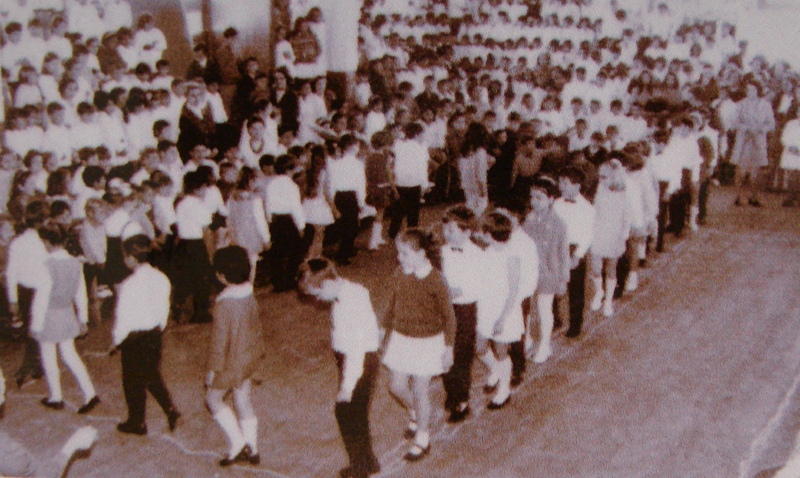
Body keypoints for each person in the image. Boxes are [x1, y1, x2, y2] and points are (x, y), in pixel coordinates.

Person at [300, 258, 382, 478]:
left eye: (317, 293)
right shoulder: (352, 290)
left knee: (346, 412)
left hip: (359, 361)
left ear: (327, 284)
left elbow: (356, 350)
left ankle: (359, 467)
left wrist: (347, 385)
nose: (317, 300)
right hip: (356, 358)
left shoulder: (350, 303)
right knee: (357, 412)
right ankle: (367, 461)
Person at [382, 228, 455, 461]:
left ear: (421, 253)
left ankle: (422, 437)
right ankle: (415, 411)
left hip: (427, 342)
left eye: (404, 253)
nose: (399, 258)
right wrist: (383, 328)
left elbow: (449, 317)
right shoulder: (399, 273)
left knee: (420, 389)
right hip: (402, 338)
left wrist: (449, 347)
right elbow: (391, 303)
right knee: (396, 386)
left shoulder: (435, 279)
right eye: (398, 253)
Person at [112, 234, 180, 435]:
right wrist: (159, 327)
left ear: (132, 258)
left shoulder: (129, 285)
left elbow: (123, 317)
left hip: (133, 338)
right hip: (154, 334)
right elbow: (164, 308)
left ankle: (137, 421)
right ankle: (170, 409)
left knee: (132, 381)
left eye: (125, 255)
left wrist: (117, 340)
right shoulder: (161, 277)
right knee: (150, 374)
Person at [206, 246, 265, 467]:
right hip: (249, 357)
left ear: (221, 276)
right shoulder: (249, 293)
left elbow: (219, 343)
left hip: (231, 362)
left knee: (212, 399)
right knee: (242, 400)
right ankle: (253, 448)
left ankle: (238, 444)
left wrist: (212, 371)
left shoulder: (224, 304)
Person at [32, 224, 100, 414]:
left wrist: (36, 325)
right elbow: (81, 293)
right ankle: (90, 393)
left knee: (48, 356)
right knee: (70, 355)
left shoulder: (46, 265)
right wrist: (83, 318)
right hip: (67, 313)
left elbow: (41, 298)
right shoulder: (75, 263)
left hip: (49, 315)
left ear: (47, 242)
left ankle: (56, 397)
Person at [440, 206, 484, 423]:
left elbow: (480, 285)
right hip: (446, 309)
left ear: (467, 232)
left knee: (461, 356)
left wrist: (458, 290)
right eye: (445, 229)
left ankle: (462, 400)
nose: (446, 234)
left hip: (466, 309)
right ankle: (452, 391)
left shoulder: (477, 254)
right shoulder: (442, 251)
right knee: (444, 351)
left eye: (452, 230)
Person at [522, 177, 570, 363]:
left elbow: (563, 253)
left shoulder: (559, 224)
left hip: (548, 272)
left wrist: (563, 278)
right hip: (529, 271)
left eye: (539, 198)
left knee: (544, 309)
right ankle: (527, 338)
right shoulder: (528, 220)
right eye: (532, 197)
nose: (534, 201)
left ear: (551, 199)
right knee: (526, 307)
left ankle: (544, 344)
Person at [7, 200, 49, 387]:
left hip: (23, 291)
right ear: (44, 220)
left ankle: (35, 364)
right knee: (37, 329)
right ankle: (29, 365)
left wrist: (13, 299)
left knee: (32, 328)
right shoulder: (43, 243)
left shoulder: (17, 242)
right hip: (40, 290)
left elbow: (11, 273)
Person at [554, 166, 595, 338]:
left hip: (574, 249)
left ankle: (575, 324)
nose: (561, 186)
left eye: (565, 183)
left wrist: (578, 255)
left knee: (575, 289)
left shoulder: (586, 208)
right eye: (560, 183)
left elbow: (588, 234)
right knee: (554, 283)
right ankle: (555, 318)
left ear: (577, 185)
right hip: (557, 247)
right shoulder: (556, 203)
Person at [588, 158, 631, 317]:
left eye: (604, 177)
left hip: (614, 233)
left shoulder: (623, 194)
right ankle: (599, 291)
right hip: (599, 232)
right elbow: (595, 210)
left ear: (614, 177)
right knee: (595, 267)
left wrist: (624, 235)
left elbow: (627, 217)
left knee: (611, 268)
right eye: (600, 176)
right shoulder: (600, 190)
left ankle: (608, 301)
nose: (601, 180)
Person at [730, 81, 775, 207]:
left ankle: (755, 196)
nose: (750, 92)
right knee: (741, 170)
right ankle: (740, 196)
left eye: (752, 90)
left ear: (757, 91)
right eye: (748, 89)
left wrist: (760, 129)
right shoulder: (741, 104)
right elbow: (734, 122)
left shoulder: (765, 105)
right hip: (744, 140)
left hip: (758, 140)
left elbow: (771, 124)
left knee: (756, 171)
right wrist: (745, 128)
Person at [264, 155, 306, 291]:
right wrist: (301, 226)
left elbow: (267, 205)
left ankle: (277, 282)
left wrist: (269, 221)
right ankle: (289, 279)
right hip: (288, 220)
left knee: (276, 253)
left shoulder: (270, 184)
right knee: (295, 252)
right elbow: (296, 208)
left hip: (275, 220)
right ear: (290, 170)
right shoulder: (292, 186)